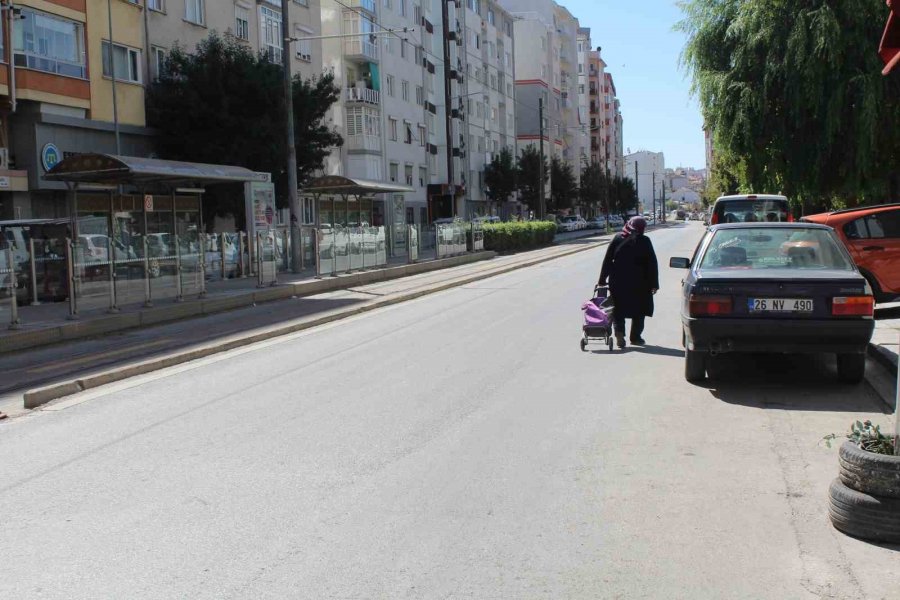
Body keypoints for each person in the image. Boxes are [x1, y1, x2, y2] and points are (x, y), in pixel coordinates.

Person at [598, 216, 659, 348]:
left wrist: (602, 279)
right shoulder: (645, 241)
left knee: (618, 309)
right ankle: (635, 337)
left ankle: (619, 333)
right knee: (639, 310)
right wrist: (654, 284)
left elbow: (608, 260)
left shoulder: (618, 238)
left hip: (618, 281)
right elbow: (652, 264)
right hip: (640, 282)